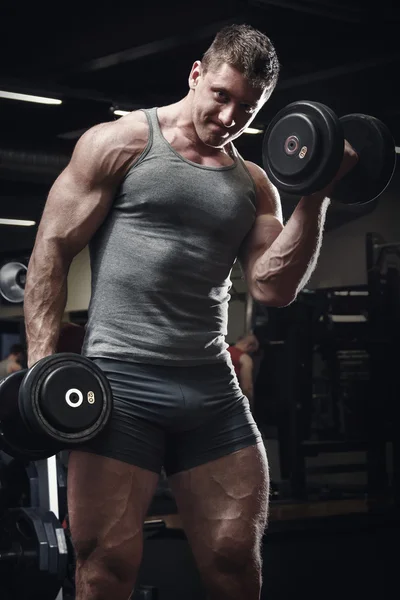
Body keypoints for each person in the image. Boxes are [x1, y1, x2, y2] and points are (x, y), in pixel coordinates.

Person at [23, 23, 358, 600]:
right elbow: (52, 248)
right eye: (222, 96)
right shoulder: (122, 142)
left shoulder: (254, 185)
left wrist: (316, 193)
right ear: (196, 74)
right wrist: (40, 374)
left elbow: (274, 287)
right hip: (121, 386)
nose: (230, 118)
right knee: (104, 568)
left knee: (234, 563)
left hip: (210, 391)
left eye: (248, 108)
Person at [227, 332, 259, 409]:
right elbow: (247, 388)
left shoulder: (223, 352)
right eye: (253, 352)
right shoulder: (245, 359)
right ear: (249, 346)